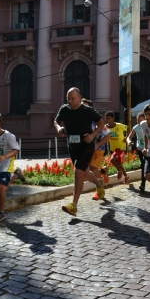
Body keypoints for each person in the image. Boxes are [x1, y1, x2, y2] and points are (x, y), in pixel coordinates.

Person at [55, 87, 106, 216]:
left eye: (73, 98)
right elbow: (56, 120)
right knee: (85, 172)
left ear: (79, 98)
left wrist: (93, 135)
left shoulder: (87, 110)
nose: (70, 101)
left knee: (78, 172)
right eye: (68, 99)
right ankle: (99, 183)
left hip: (86, 144)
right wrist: (59, 128)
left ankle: (74, 205)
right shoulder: (64, 109)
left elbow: (101, 123)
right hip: (73, 146)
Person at [81, 98, 111, 201]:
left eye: (86, 106)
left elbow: (108, 135)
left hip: (97, 149)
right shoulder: (79, 120)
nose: (83, 108)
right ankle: (103, 171)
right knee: (87, 171)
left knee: (92, 170)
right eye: (82, 105)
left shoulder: (98, 120)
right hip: (85, 149)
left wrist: (98, 145)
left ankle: (98, 191)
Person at [104, 111, 129, 184]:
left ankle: (119, 171)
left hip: (121, 147)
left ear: (113, 118)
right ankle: (126, 176)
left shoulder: (119, 125)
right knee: (118, 163)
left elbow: (128, 128)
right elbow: (102, 134)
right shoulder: (106, 127)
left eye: (109, 118)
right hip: (112, 148)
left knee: (112, 160)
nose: (108, 120)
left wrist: (127, 137)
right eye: (106, 119)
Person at [126, 112, 147, 192]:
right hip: (140, 149)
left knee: (148, 166)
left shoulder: (148, 126)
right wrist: (129, 142)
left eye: (141, 120)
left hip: (149, 149)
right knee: (143, 165)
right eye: (138, 120)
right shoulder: (136, 127)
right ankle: (143, 184)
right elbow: (129, 137)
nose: (139, 122)